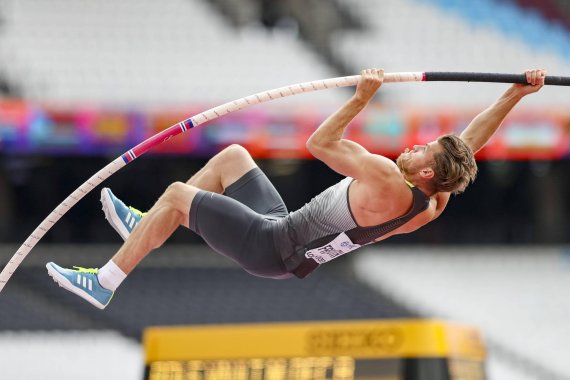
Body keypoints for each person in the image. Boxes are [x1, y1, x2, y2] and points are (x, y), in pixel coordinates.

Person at [46, 68, 546, 309]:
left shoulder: (386, 179)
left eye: (421, 151)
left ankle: (104, 283)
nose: (413, 148)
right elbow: (469, 143)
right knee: (233, 157)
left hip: (272, 247)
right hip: (287, 236)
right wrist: (513, 94)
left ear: (426, 173)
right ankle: (145, 225)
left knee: (178, 194)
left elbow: (319, 141)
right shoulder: (432, 202)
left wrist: (361, 98)